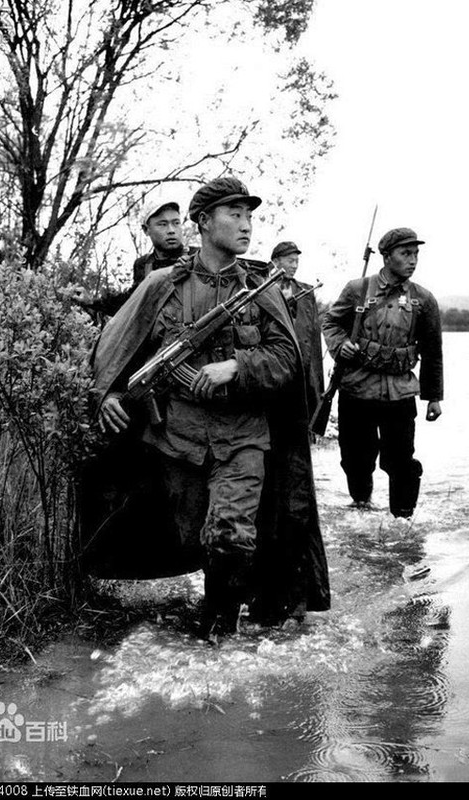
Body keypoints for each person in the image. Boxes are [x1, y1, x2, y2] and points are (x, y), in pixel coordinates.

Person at [88, 176, 330, 644]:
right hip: (173, 442)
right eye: (234, 215)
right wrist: (109, 396)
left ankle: (215, 640)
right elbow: (115, 347)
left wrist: (235, 367)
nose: (246, 225)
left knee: (231, 535)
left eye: (250, 216)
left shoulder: (262, 291)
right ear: (203, 222)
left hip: (243, 438)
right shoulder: (162, 285)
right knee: (188, 538)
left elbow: (287, 360)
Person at [321, 227, 443, 517]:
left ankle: (402, 518)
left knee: (401, 461)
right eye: (405, 254)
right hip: (356, 390)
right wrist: (340, 346)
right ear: (387, 257)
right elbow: (330, 322)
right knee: (355, 458)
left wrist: (433, 398)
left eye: (415, 254)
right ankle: (361, 505)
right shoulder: (357, 289)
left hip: (400, 394)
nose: (413, 260)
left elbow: (433, 352)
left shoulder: (424, 300)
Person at [72, 198, 197, 317]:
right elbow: (131, 304)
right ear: (146, 230)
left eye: (176, 223)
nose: (171, 230)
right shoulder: (144, 265)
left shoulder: (198, 255)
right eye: (162, 224)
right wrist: (92, 302)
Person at [270, 241, 325, 417]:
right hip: (272, 367)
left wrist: (316, 380)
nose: (294, 266)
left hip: (300, 369)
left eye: (296, 261)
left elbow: (314, 338)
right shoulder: (262, 288)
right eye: (290, 261)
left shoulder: (306, 292)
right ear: (276, 261)